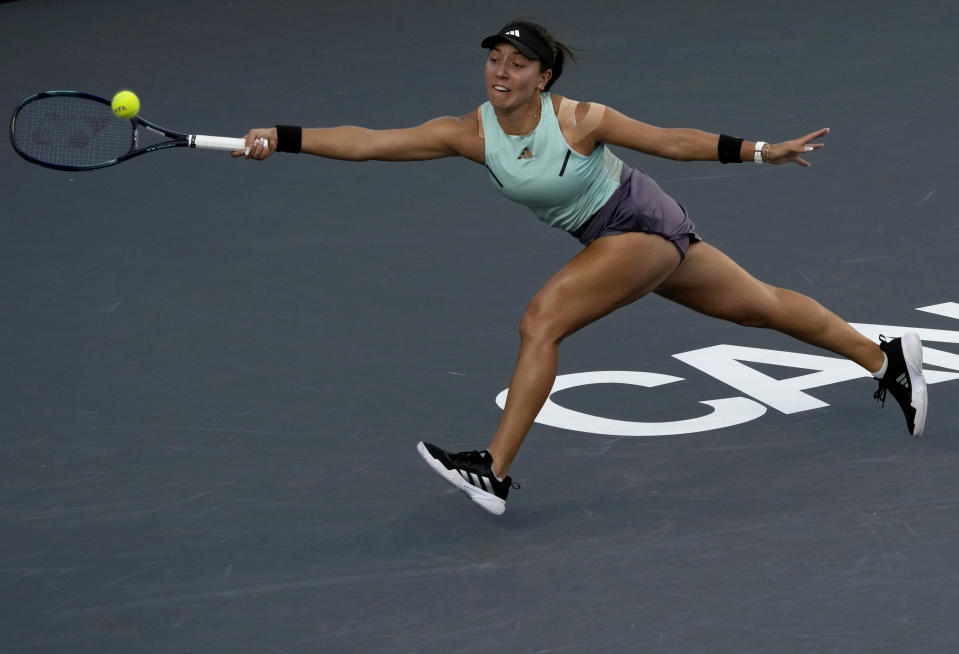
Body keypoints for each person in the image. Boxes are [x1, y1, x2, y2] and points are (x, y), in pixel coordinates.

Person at [236, 20, 928, 515]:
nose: (499, 74)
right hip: (621, 234)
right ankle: (885, 360)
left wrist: (755, 151)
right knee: (760, 307)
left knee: (541, 321)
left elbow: (668, 141)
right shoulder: (469, 132)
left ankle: (493, 470)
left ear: (543, 77)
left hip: (639, 225)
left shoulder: (578, 119)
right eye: (493, 61)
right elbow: (367, 143)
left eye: (515, 65)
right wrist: (283, 137)